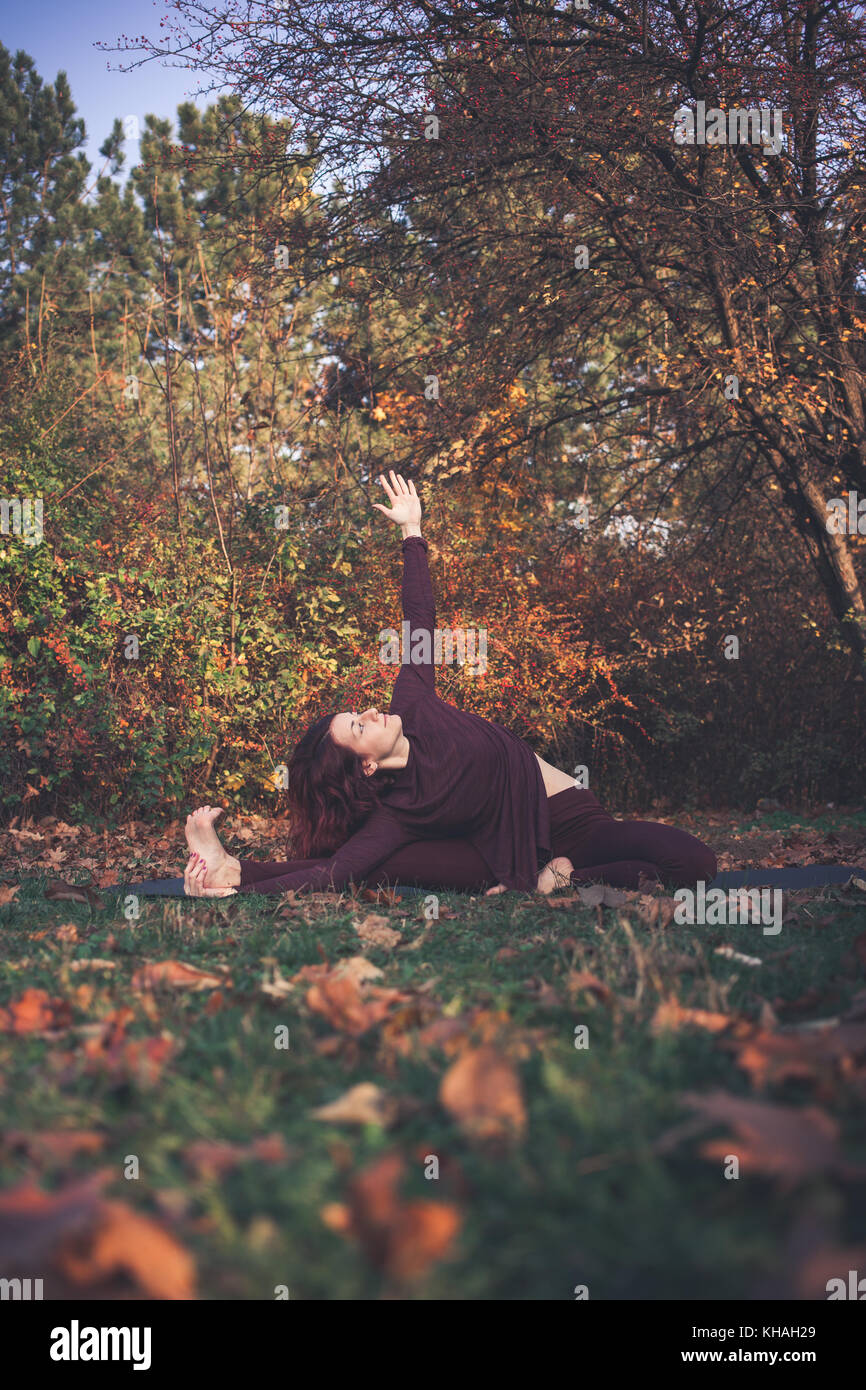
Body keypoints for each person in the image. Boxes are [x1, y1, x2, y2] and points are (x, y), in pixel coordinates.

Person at [182, 472, 716, 898]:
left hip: (570, 820)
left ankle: (557, 879)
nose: (369, 713)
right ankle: (230, 871)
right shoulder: (397, 814)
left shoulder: (412, 701)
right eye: (357, 726)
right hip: (497, 854)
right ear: (366, 764)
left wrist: (412, 532)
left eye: (358, 712)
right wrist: (240, 889)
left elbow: (420, 618)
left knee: (695, 865)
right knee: (374, 864)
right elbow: (337, 872)